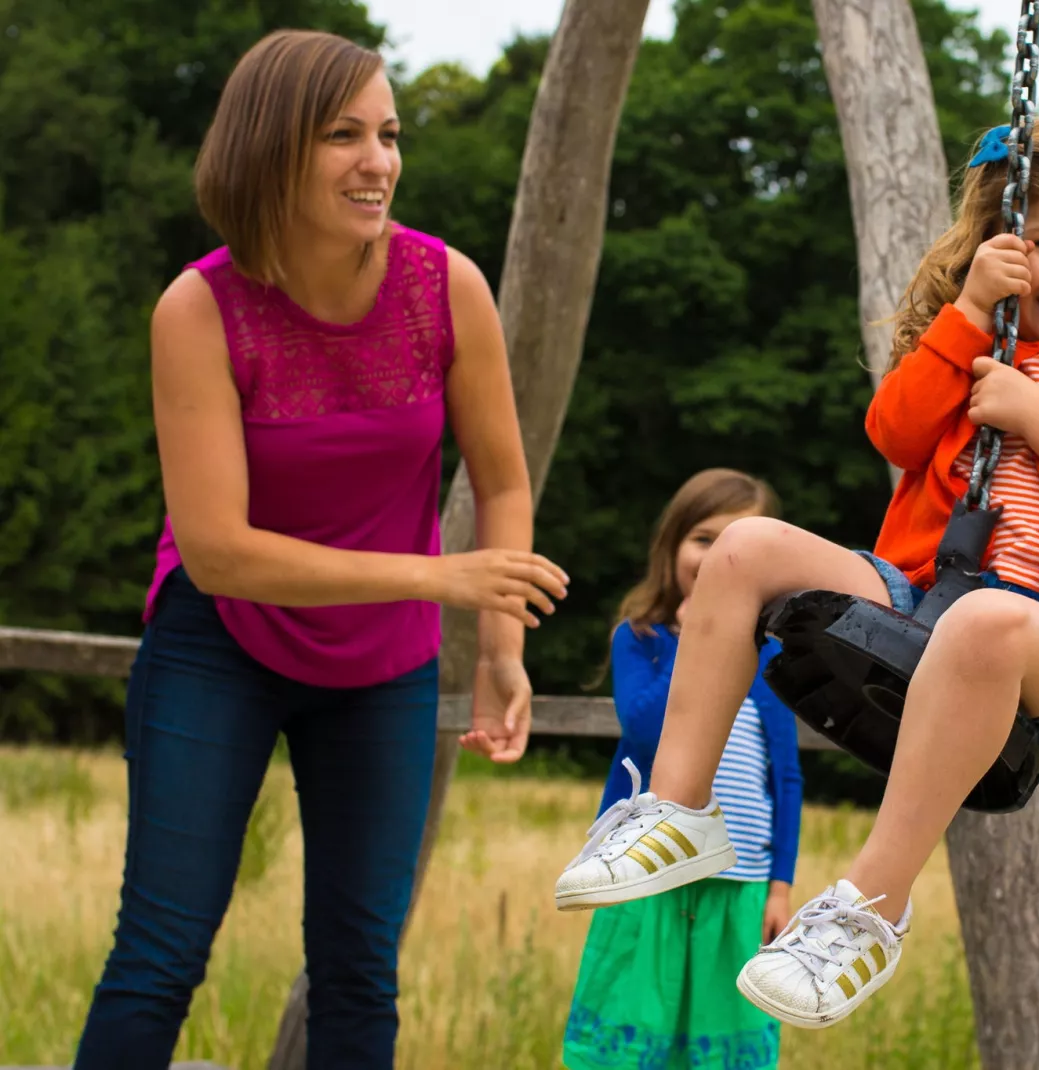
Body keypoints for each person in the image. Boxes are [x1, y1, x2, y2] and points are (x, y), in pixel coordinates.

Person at [551, 115, 1039, 1029]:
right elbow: (893, 430)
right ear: (996, 246)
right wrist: (970, 317)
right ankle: (679, 808)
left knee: (987, 626)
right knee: (743, 547)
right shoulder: (967, 340)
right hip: (925, 604)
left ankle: (871, 907)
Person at [73, 30, 568, 1070]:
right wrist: (440, 577)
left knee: (357, 965)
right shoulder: (197, 309)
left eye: (387, 134)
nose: (378, 160)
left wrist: (495, 649)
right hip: (220, 642)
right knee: (160, 952)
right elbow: (219, 553)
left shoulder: (446, 287)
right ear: (270, 148)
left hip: (380, 664)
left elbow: (505, 479)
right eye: (343, 135)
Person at [562, 468, 805, 1070]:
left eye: (739, 541)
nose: (720, 554)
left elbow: (787, 777)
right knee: (633, 1028)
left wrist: (782, 883)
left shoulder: (771, 655)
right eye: (704, 538)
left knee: (723, 1040)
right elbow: (643, 728)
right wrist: (700, 634)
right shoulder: (640, 638)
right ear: (671, 545)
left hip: (741, 879)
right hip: (645, 875)